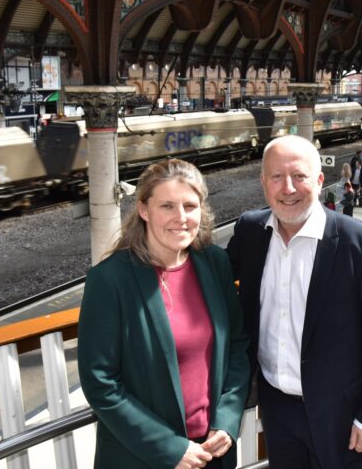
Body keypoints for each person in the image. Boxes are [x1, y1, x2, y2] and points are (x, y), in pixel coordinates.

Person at [226, 135, 362, 469]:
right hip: (276, 405)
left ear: (320, 180)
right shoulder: (251, 230)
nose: (288, 188)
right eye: (276, 177)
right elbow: (212, 275)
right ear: (263, 183)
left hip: (341, 413)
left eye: (299, 176)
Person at [78, 158, 250, 469]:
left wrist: (228, 419)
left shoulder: (214, 263)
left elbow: (237, 346)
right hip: (144, 457)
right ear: (144, 210)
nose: (181, 218)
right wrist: (169, 448)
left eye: (190, 206)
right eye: (167, 206)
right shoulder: (110, 279)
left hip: (213, 452)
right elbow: (100, 382)